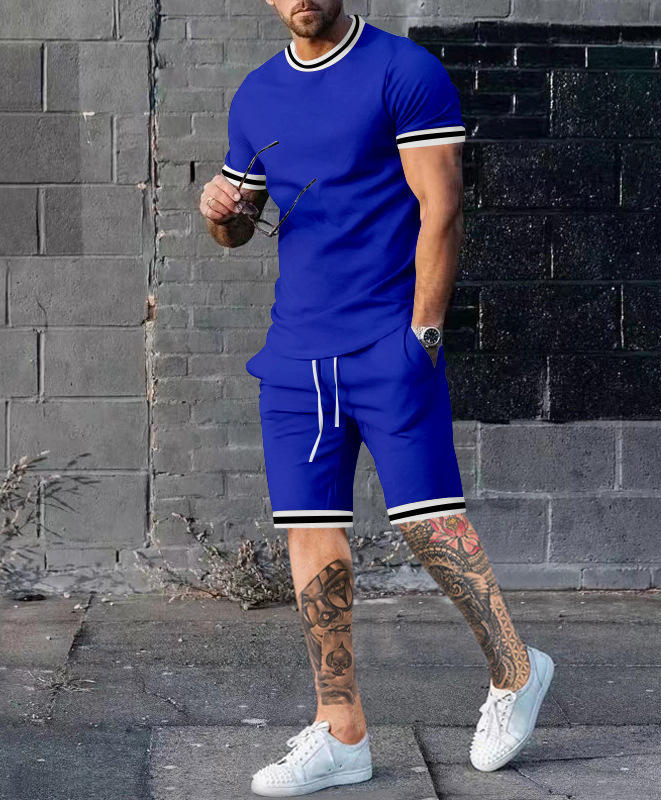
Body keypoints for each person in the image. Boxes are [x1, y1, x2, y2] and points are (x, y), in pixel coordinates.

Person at [199, 2, 555, 795]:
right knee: (309, 533)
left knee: (430, 525)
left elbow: (442, 205)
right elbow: (240, 224)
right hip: (296, 352)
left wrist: (423, 334)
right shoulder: (256, 95)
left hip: (389, 341)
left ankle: (516, 669)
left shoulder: (404, 72)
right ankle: (342, 731)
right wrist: (221, 212)